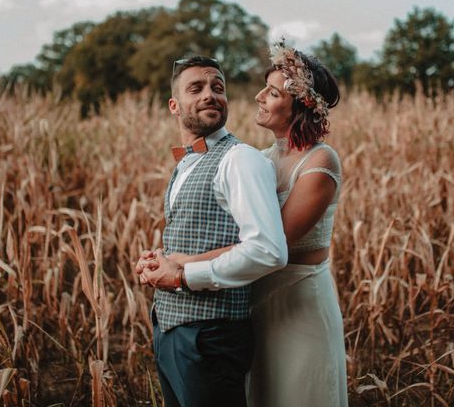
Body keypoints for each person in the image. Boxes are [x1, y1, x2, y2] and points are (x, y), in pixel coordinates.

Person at [145, 40, 348, 406]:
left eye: (271, 92)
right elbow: (232, 232)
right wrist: (167, 255)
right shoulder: (264, 158)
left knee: (297, 393)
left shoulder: (320, 162)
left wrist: (182, 264)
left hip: (297, 298)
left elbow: (273, 245)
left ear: (299, 105)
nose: (258, 96)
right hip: (254, 297)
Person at [134, 55, 288, 407]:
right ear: (174, 105)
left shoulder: (241, 159)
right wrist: (158, 261)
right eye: (196, 88)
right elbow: (198, 235)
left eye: (218, 88)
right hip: (171, 331)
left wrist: (184, 275)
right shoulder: (188, 162)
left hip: (212, 336)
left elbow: (268, 250)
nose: (210, 95)